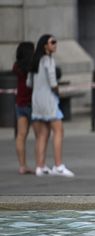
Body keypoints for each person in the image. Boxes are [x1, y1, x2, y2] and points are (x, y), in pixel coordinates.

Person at [27, 34, 74, 177]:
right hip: (49, 101)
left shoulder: (34, 62)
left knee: (42, 134)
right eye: (52, 42)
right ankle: (58, 165)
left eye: (55, 42)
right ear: (45, 46)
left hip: (36, 101)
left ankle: (40, 167)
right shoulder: (48, 60)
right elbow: (53, 83)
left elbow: (28, 83)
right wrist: (57, 91)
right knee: (59, 130)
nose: (55, 44)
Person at [13, 41, 35, 175]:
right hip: (32, 103)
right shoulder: (33, 67)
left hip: (20, 103)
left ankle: (22, 165)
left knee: (21, 135)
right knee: (41, 135)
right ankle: (40, 164)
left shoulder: (17, 67)